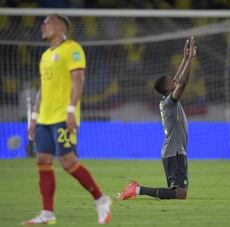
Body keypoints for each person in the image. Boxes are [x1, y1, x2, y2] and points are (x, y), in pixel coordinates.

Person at [22, 15, 111, 225]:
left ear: (60, 26)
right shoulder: (45, 56)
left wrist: (71, 110)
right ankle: (47, 213)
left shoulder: (72, 48)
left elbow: (78, 80)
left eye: (47, 23)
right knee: (42, 161)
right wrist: (34, 117)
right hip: (44, 118)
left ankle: (101, 199)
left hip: (63, 116)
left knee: (67, 162)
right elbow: (43, 90)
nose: (42, 26)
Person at [116, 37, 196, 200]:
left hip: (172, 151)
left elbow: (178, 80)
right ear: (168, 87)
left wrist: (186, 58)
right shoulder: (170, 101)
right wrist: (190, 60)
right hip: (175, 152)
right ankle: (136, 190)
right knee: (180, 194)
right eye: (171, 80)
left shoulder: (167, 100)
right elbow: (183, 82)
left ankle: (136, 189)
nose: (175, 79)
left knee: (178, 192)